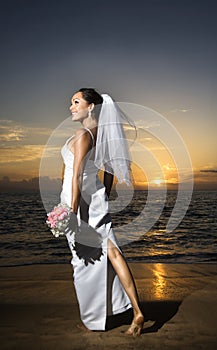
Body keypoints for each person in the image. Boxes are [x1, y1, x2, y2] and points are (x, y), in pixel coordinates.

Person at [60, 88, 144, 336]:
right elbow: (109, 170)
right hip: (94, 199)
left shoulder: (83, 134)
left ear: (91, 106)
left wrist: (72, 213)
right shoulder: (103, 136)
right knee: (114, 255)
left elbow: (75, 175)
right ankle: (137, 311)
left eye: (76, 102)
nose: (71, 107)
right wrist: (104, 193)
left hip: (80, 204)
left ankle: (92, 319)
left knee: (82, 263)